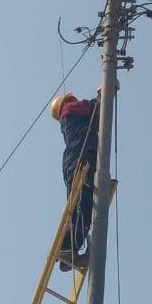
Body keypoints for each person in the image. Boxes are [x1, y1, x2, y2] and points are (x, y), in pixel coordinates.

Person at [50, 91, 100, 271]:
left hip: (74, 164)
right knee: (82, 205)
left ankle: (69, 253)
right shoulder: (71, 109)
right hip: (80, 162)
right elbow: (94, 108)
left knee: (82, 207)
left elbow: (94, 119)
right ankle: (66, 248)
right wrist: (103, 95)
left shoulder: (70, 120)